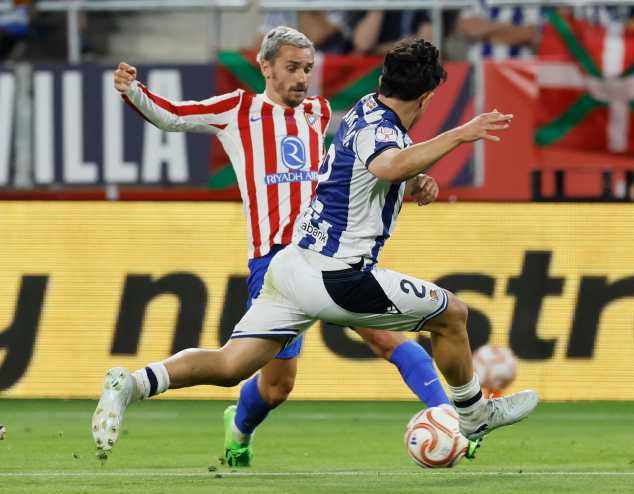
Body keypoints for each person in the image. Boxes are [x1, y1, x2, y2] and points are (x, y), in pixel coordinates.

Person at [93, 37, 538, 459]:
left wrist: (410, 181)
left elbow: (361, 172)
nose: (302, 77)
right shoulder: (350, 125)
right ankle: (473, 414)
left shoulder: (352, 108)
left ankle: (132, 384)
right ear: (425, 99)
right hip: (333, 273)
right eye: (293, 67)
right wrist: (460, 134)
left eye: (307, 68)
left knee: (233, 367)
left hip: (292, 265)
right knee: (452, 314)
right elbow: (387, 163)